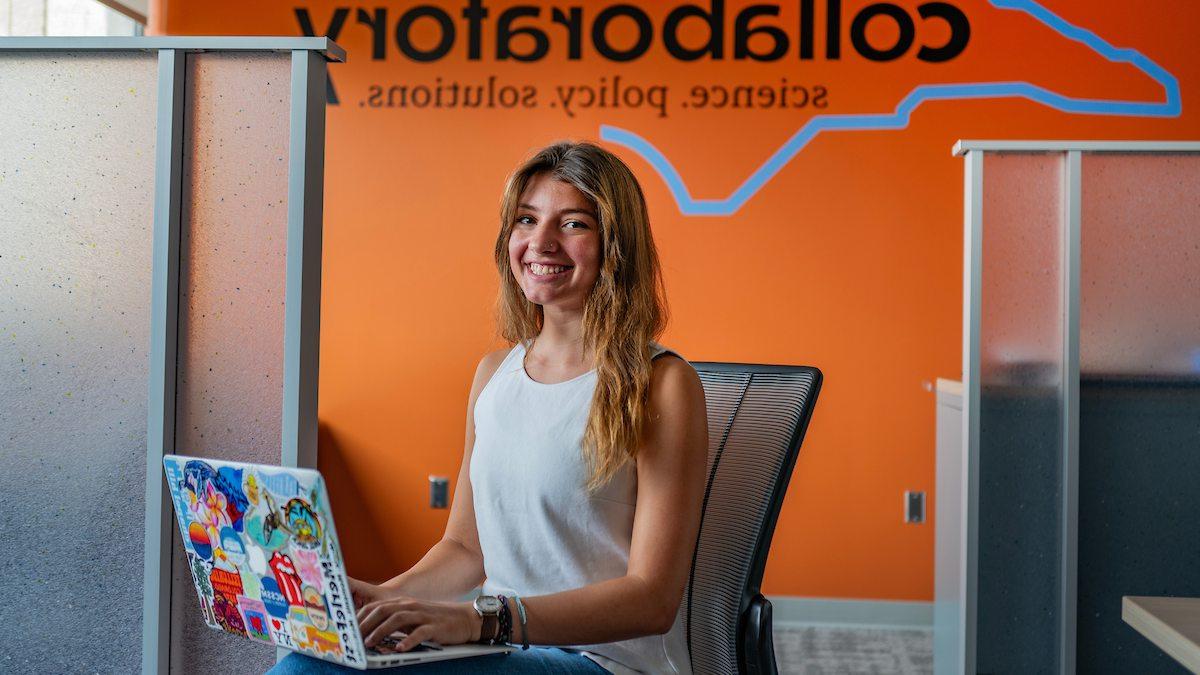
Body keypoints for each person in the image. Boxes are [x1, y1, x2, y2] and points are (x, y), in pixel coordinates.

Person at [270, 141, 708, 674]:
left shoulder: (663, 383)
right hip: (502, 644)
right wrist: (377, 605)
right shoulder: (494, 375)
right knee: (318, 657)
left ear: (617, 246)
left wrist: (485, 621)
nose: (541, 242)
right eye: (526, 219)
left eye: (573, 224)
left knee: (307, 673)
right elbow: (464, 550)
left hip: (599, 662)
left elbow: (652, 598)